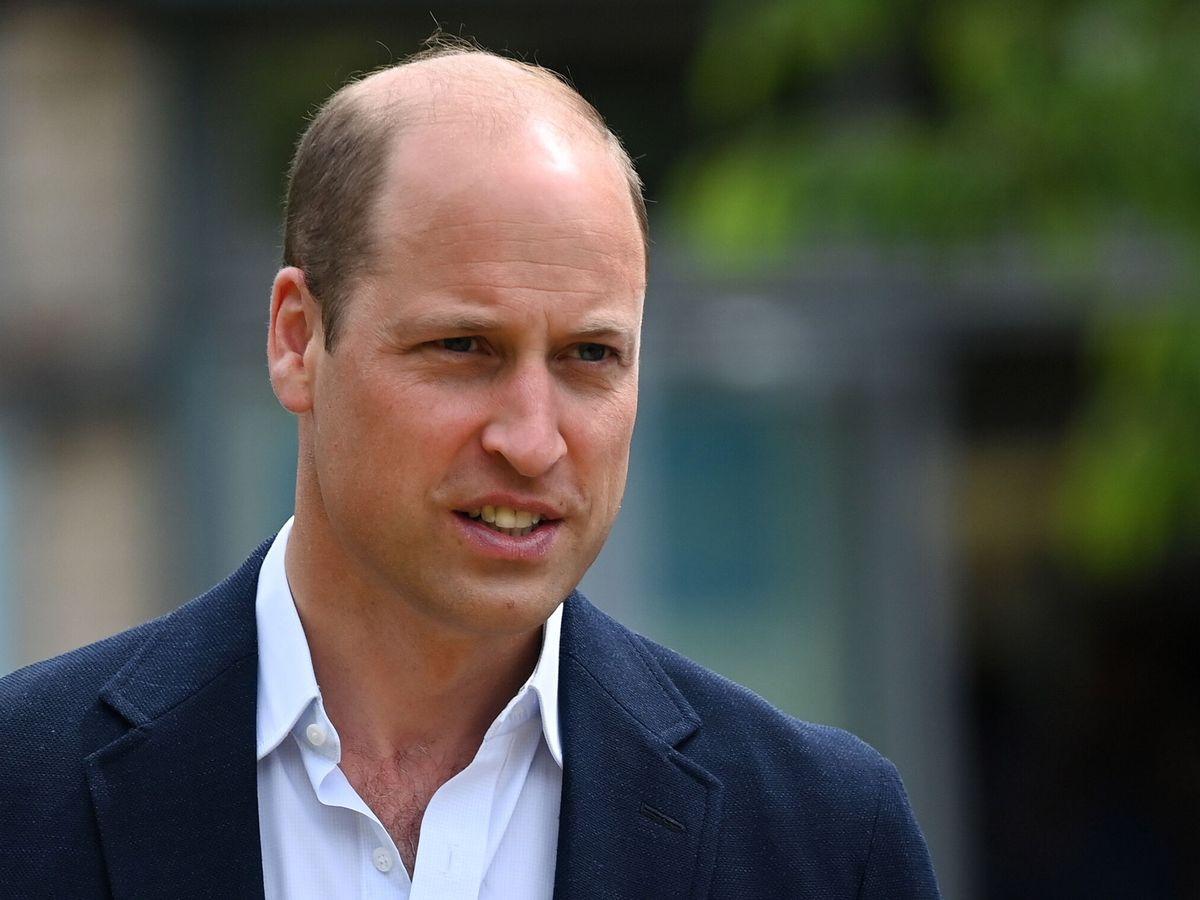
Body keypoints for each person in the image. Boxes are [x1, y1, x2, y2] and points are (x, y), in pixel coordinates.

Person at [0, 42, 940, 898]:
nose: (532, 441)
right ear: (296, 340)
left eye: (590, 356)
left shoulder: (823, 839)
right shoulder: (23, 790)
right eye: (463, 347)